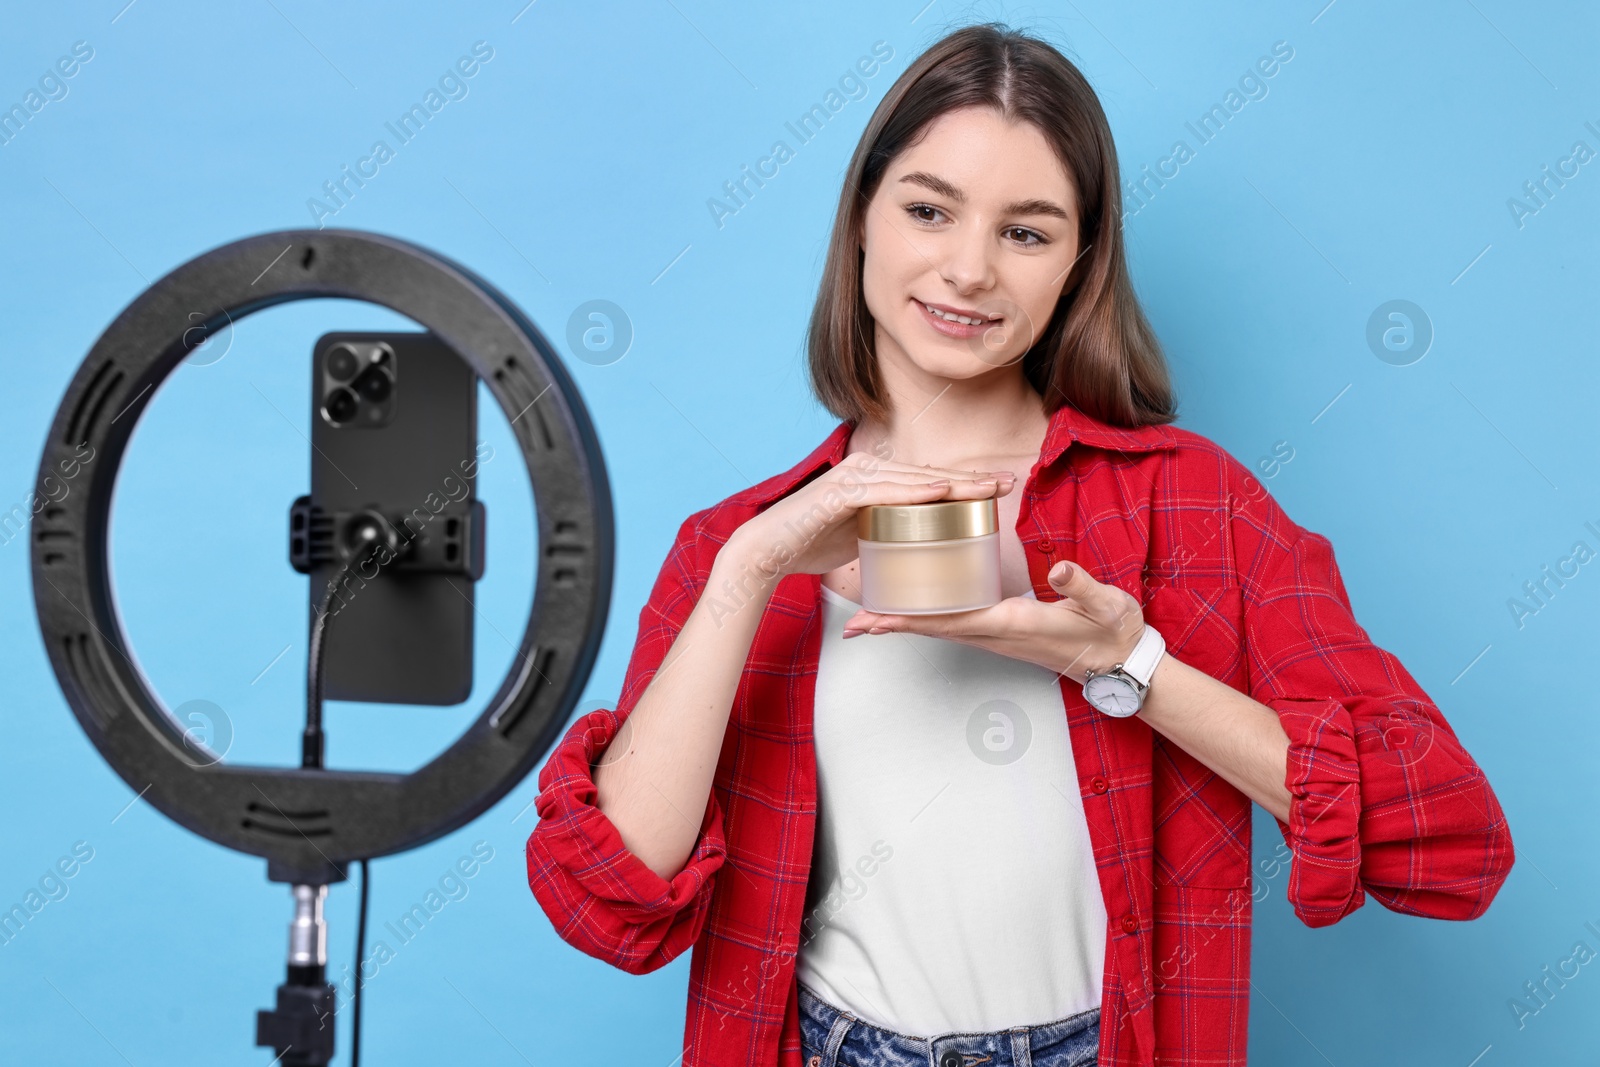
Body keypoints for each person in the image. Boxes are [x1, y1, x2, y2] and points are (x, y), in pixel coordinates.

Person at [525, 21, 1513, 1067]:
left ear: (1077, 263)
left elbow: (1446, 844)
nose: (967, 270)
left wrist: (1124, 664)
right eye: (927, 210)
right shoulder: (743, 543)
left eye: (1026, 232)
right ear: (862, 217)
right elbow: (611, 897)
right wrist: (746, 572)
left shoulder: (1193, 507)